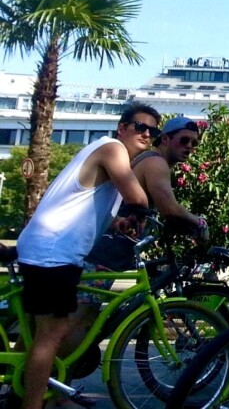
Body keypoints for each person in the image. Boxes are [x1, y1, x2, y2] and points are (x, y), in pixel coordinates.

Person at [15, 104, 154, 409]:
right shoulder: (112, 148)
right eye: (139, 126)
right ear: (122, 127)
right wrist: (147, 213)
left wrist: (117, 222)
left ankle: (20, 394)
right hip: (53, 253)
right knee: (52, 335)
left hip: (48, 249)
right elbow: (138, 197)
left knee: (38, 330)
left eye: (153, 131)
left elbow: (88, 204)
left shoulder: (107, 154)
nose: (146, 134)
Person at [134, 116, 207, 233]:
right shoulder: (156, 163)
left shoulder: (151, 159)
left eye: (194, 143)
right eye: (184, 140)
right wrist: (199, 223)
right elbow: (169, 208)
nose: (189, 146)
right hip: (116, 240)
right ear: (165, 139)